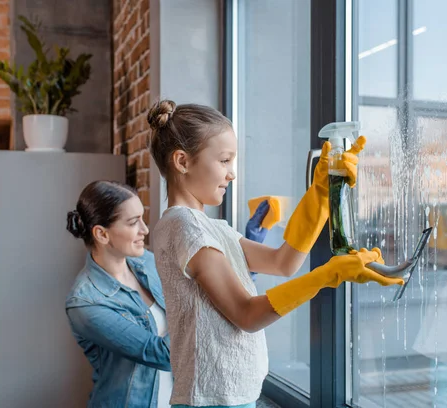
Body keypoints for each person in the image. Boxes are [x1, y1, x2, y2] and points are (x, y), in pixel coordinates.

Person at [147, 100, 403, 408]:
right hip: (210, 402)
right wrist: (327, 275)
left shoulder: (212, 228)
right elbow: (246, 314)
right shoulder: (183, 227)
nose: (232, 174)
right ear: (182, 161)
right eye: (225, 160)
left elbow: (283, 263)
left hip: (228, 399)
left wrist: (320, 193)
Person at [65, 181, 172, 408]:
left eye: (142, 219)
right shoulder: (86, 303)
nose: (145, 229)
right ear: (102, 234)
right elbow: (164, 354)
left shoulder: (147, 262)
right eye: (134, 222)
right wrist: (199, 305)